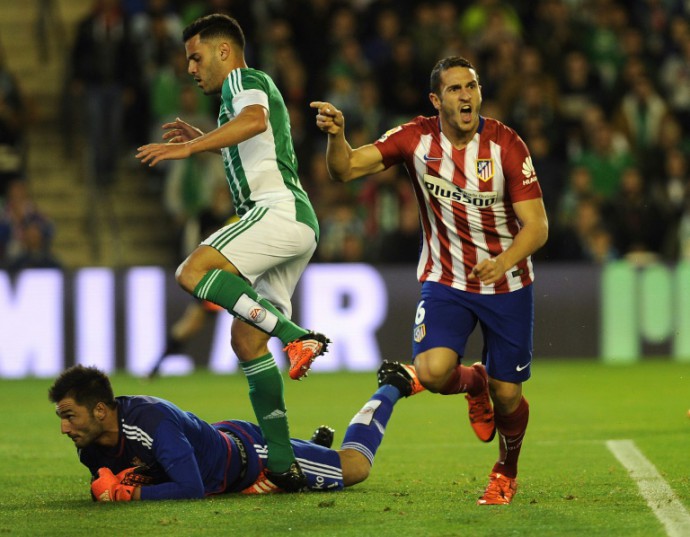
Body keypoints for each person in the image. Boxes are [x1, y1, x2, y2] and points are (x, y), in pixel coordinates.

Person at [310, 55, 549, 505]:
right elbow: (344, 170)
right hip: (446, 279)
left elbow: (537, 227)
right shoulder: (415, 139)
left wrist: (502, 261)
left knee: (508, 395)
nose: (467, 96)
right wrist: (338, 137)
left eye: (472, 87)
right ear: (436, 100)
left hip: (507, 284)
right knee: (432, 372)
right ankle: (471, 383)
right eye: (456, 89)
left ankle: (505, 469)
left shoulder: (506, 146)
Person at [135, 14, 330, 491]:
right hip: (294, 223)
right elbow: (253, 139)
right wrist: (205, 145)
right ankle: (283, 466)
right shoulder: (231, 102)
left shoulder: (244, 79)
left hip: (277, 212)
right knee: (245, 342)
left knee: (191, 270)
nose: (190, 69)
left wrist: (192, 148)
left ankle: (295, 335)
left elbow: (255, 120)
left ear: (224, 51)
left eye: (196, 57)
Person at [48, 362, 424, 501]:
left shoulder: (150, 421)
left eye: (69, 416)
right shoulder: (90, 445)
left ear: (100, 409)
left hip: (253, 457)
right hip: (222, 451)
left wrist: (129, 495)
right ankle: (307, 449)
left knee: (354, 466)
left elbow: (191, 488)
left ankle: (391, 384)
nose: (65, 428)